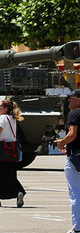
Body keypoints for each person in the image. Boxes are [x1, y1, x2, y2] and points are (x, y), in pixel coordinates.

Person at [0, 99, 26, 207]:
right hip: (11, 148)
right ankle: (18, 191)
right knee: (9, 173)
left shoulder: (2, 118)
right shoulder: (12, 118)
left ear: (5, 109)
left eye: (0, 106)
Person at [55, 90, 80, 233]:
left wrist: (61, 143)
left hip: (76, 159)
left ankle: (77, 227)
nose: (69, 100)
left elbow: (72, 135)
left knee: (76, 193)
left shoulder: (74, 114)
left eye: (72, 98)